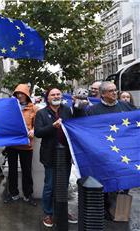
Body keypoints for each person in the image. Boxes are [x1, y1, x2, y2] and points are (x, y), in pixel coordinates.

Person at [87, 82, 135, 220]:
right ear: (102, 94)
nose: (114, 93)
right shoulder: (93, 110)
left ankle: (119, 209)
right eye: (110, 91)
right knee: (105, 180)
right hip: (104, 153)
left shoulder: (127, 107)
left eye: (115, 90)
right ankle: (104, 208)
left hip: (123, 152)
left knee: (123, 180)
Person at [34, 88, 78, 228]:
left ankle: (63, 212)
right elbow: (38, 132)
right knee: (49, 186)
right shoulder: (41, 113)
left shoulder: (67, 110)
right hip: (50, 155)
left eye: (58, 94)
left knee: (63, 186)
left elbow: (75, 129)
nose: (56, 96)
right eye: (53, 94)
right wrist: (52, 127)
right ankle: (48, 213)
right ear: (48, 98)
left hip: (65, 155)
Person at [3, 84, 37, 206]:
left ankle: (28, 195)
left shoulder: (34, 108)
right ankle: (13, 193)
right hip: (12, 145)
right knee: (12, 171)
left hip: (26, 146)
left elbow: (37, 125)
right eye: (17, 93)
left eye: (22, 93)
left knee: (27, 171)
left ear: (27, 95)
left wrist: (34, 130)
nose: (20, 95)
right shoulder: (11, 108)